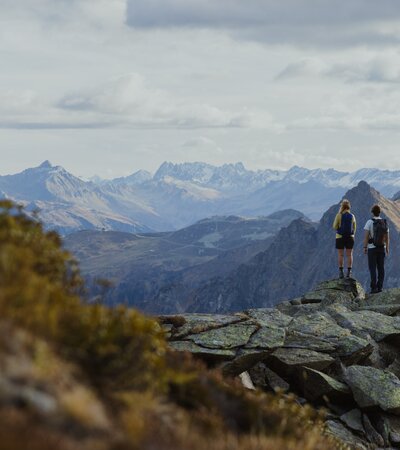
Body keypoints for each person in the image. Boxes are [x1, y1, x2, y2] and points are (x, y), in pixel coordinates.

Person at [363, 204, 389, 294]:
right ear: (379, 212)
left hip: (372, 248)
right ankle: (380, 287)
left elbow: (366, 236)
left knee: (373, 268)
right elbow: (387, 237)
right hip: (382, 248)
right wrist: (387, 248)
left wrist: (365, 247)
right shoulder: (384, 222)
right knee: (381, 268)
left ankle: (374, 288)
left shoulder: (369, 222)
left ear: (372, 212)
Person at [333, 199, 356, 279]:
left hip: (340, 237)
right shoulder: (352, 216)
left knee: (340, 254)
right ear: (349, 207)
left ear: (342, 207)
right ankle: (349, 272)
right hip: (350, 237)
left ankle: (341, 272)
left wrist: (339, 228)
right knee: (349, 255)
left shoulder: (339, 215)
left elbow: (334, 226)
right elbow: (354, 228)